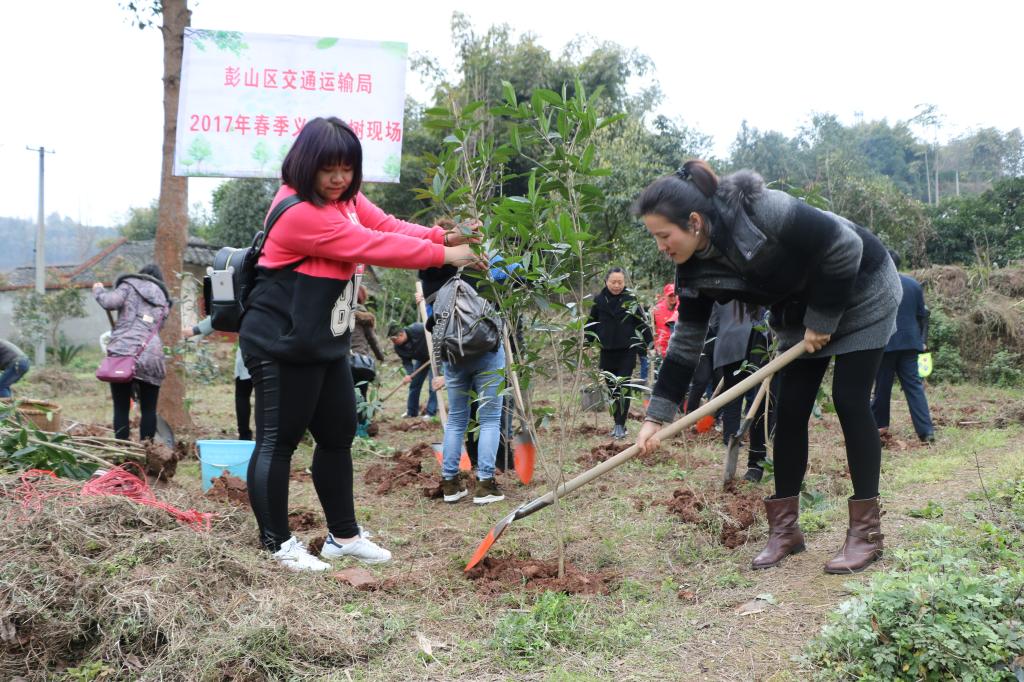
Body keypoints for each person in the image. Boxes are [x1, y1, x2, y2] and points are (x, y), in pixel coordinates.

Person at [237, 116, 481, 571]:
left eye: (346, 169)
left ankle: (343, 537)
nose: (338, 178)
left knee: (337, 435)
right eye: (327, 169)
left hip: (325, 339)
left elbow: (385, 225)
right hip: (280, 341)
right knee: (278, 441)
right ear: (304, 165)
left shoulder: (345, 200)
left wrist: (442, 236)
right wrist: (446, 255)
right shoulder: (299, 211)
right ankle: (277, 544)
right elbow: (372, 245)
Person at [634, 160, 901, 574]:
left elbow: (846, 245)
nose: (661, 246)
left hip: (863, 291)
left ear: (694, 222)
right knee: (789, 410)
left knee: (849, 400)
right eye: (655, 237)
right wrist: (656, 417)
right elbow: (685, 342)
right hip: (800, 315)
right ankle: (785, 532)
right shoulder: (692, 270)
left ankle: (866, 535)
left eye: (664, 235)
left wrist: (823, 318)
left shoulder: (763, 210)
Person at [428, 268, 507, 505]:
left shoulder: (440, 279)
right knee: (490, 419)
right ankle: (485, 485)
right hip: (487, 353)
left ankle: (450, 484)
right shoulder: (487, 275)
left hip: (454, 357)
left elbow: (430, 325)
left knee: (456, 420)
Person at [93, 264, 172, 442]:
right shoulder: (163, 298)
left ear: (141, 274)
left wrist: (98, 290)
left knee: (121, 408)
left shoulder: (129, 285)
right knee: (149, 410)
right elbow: (159, 326)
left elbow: (109, 302)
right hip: (152, 354)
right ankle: (147, 450)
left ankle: (122, 449)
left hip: (124, 352)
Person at [871, 250, 935, 443]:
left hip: (886, 343)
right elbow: (922, 315)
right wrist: (922, 339)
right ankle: (926, 432)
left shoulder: (876, 284)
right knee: (914, 387)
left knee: (882, 387)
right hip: (911, 343)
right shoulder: (913, 284)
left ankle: (879, 427)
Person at [585, 268, 653, 439]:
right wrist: (587, 343)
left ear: (624, 283)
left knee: (623, 387)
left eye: (620, 282)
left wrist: (650, 343)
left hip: (627, 350)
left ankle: (620, 425)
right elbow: (592, 322)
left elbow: (641, 323)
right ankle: (617, 422)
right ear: (606, 282)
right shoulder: (599, 300)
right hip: (607, 351)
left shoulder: (631, 299)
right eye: (613, 282)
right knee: (612, 389)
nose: (616, 285)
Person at [711, 302, 773, 482]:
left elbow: (714, 323)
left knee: (733, 399)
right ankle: (755, 463)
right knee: (759, 401)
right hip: (757, 341)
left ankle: (730, 440)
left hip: (730, 342)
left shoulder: (721, 292)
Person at [183, 319, 255, 441]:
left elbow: (223, 314)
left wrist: (195, 330)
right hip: (277, 349)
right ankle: (266, 437)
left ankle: (245, 437)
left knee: (243, 394)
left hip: (250, 349)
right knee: (266, 396)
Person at [351, 284, 385, 437]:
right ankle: (361, 429)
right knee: (362, 396)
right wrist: (381, 357)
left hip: (343, 360)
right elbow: (372, 340)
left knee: (345, 395)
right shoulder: (364, 316)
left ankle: (348, 428)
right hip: (362, 363)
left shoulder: (338, 312)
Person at [387, 322, 437, 419]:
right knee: (414, 384)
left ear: (401, 334)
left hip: (435, 355)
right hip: (421, 359)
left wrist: (437, 348)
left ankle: (431, 413)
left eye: (394, 340)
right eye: (392, 340)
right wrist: (409, 374)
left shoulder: (418, 329)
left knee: (434, 383)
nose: (393, 342)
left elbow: (436, 331)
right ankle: (412, 412)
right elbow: (406, 362)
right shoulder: (398, 347)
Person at [651, 283, 679, 358]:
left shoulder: (682, 308)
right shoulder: (656, 309)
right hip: (661, 347)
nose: (673, 298)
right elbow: (652, 328)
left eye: (674, 295)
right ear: (665, 296)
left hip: (678, 347)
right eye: (670, 295)